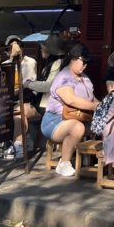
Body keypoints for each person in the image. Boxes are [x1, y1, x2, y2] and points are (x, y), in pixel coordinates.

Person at [40, 42, 98, 178]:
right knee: (77, 128)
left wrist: (104, 106)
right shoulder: (63, 77)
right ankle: (64, 163)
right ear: (73, 59)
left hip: (80, 117)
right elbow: (71, 100)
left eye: (86, 63)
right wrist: (95, 107)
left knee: (107, 124)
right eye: (83, 62)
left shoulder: (85, 78)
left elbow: (92, 99)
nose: (85, 66)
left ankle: (101, 161)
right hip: (55, 121)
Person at [18, 34, 66, 159]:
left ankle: (19, 146)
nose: (41, 49)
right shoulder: (51, 65)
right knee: (20, 108)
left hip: (49, 105)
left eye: (43, 47)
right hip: (43, 103)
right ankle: (27, 144)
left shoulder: (57, 64)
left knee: (19, 113)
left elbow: (48, 86)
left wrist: (29, 84)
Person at [2, 35, 39, 160]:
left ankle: (18, 145)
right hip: (9, 100)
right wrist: (11, 62)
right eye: (11, 48)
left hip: (28, 101)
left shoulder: (29, 62)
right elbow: (2, 85)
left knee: (19, 113)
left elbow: (27, 85)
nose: (16, 50)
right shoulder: (5, 64)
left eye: (18, 47)